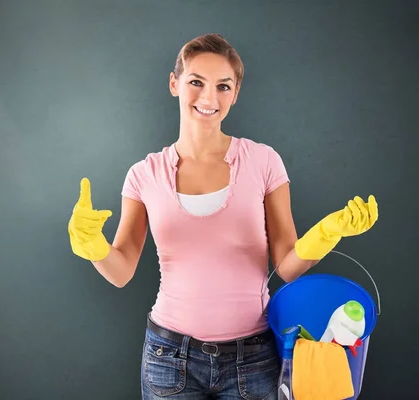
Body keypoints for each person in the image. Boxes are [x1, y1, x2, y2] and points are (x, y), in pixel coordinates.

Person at [67, 33, 378, 400]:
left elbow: (288, 266)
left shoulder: (263, 162)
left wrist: (329, 231)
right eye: (196, 82)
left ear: (235, 93)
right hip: (169, 358)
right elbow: (120, 272)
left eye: (223, 86)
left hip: (254, 358)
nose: (209, 98)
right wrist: (93, 246)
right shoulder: (143, 174)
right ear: (174, 83)